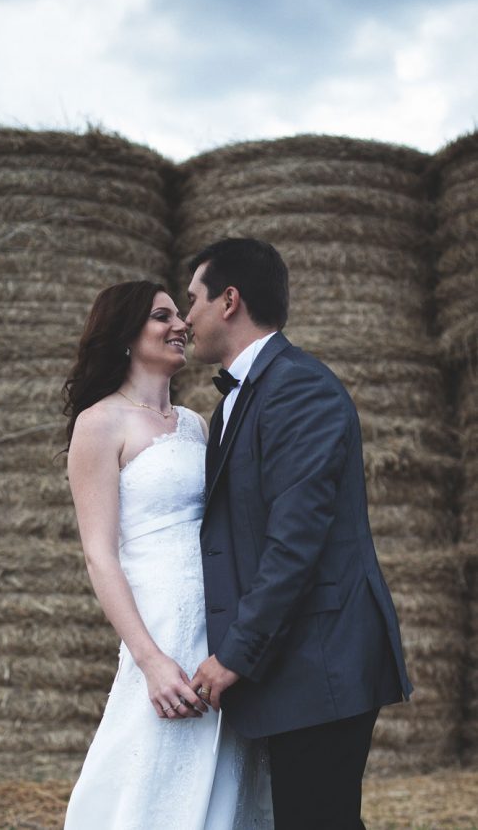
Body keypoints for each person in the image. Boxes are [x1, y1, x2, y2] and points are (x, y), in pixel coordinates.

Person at [184, 238, 412, 830]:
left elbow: (296, 541)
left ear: (228, 301)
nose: (186, 319)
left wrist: (235, 651)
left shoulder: (296, 386)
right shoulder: (244, 398)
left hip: (323, 659)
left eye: (192, 301)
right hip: (298, 664)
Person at [62, 280, 273, 830]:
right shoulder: (99, 423)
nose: (181, 324)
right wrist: (149, 660)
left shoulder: (197, 424)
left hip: (217, 620)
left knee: (226, 767)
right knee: (151, 764)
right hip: (157, 622)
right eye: (162, 316)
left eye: (180, 314)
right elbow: (99, 557)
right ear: (125, 336)